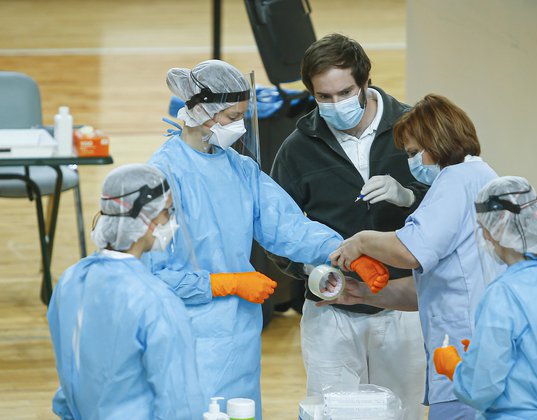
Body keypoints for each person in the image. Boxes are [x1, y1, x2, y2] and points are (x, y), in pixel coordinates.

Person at [144, 59, 343, 419]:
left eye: (241, 115)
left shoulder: (239, 169)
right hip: (187, 336)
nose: (237, 126)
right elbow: (152, 275)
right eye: (231, 116)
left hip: (238, 337)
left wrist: (343, 250)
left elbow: (287, 226)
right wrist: (226, 284)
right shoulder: (163, 176)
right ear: (203, 112)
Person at [268, 33, 428, 419]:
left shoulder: (412, 129)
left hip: (403, 307)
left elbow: (448, 207)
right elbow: (277, 230)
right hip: (332, 309)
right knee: (331, 414)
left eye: (345, 92)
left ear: (366, 82)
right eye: (324, 97)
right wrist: (312, 271)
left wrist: (408, 195)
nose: (336, 104)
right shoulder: (297, 148)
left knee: (403, 412)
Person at [330, 93, 500, 419]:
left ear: (435, 142)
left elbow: (410, 251)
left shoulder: (455, 180)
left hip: (465, 355)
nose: (411, 162)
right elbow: (434, 287)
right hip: (477, 352)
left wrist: (361, 242)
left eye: (412, 153)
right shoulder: (479, 178)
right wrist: (363, 294)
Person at [433, 176, 537, 419]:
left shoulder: (503, 294)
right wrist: (482, 353)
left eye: (483, 229)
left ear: (497, 231)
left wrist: (457, 368)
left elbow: (480, 388)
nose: (485, 238)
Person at [47, 164, 204, 419]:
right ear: (148, 220)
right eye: (167, 211)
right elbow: (179, 401)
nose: (170, 221)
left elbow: (71, 370)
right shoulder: (156, 301)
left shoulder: (70, 281)